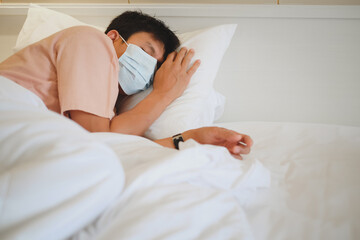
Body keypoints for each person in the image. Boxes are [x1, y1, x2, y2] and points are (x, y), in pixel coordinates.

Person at [0, 11, 253, 158]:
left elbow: (117, 147)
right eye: (146, 50)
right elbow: (101, 140)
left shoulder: (110, 109)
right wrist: (163, 94)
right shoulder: (91, 41)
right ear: (114, 38)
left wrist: (190, 138)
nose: (148, 66)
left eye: (155, 66)